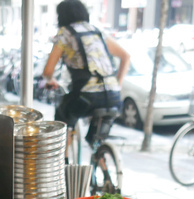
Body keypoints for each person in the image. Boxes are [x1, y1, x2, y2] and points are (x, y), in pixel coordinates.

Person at [42, 0, 130, 148]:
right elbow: (125, 56)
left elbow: (47, 71)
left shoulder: (64, 33)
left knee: (62, 120)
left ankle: (64, 163)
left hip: (86, 97)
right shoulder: (97, 31)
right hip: (113, 97)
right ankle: (101, 159)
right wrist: (117, 85)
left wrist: (51, 80)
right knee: (96, 140)